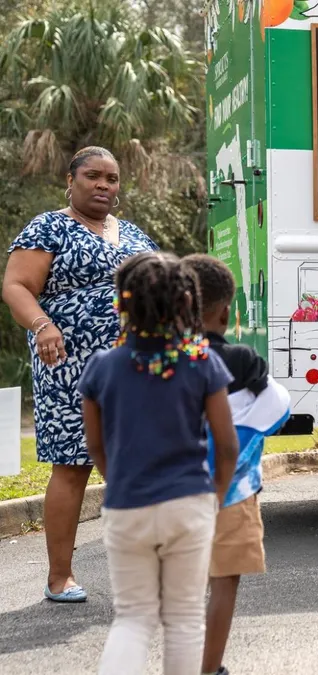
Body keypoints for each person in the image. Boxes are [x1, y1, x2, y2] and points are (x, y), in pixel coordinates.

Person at [1, 146, 157, 602]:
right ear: (71, 180)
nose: (104, 185)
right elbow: (15, 286)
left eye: (112, 178)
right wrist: (43, 325)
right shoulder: (49, 226)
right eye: (93, 176)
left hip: (136, 365)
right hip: (68, 364)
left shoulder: (132, 233)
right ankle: (60, 577)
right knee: (72, 464)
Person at [79, 251, 238, 675]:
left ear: (123, 305)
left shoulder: (102, 366)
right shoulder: (202, 361)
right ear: (186, 304)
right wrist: (216, 497)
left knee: (132, 616)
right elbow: (226, 447)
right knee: (185, 616)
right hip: (189, 504)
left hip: (126, 504)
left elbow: (96, 446)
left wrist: (121, 481)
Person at [182, 255, 291, 675]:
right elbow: (277, 409)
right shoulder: (242, 361)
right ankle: (209, 669)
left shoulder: (163, 361)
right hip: (232, 493)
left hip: (170, 493)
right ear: (225, 311)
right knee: (223, 581)